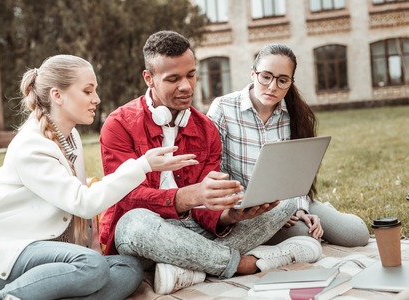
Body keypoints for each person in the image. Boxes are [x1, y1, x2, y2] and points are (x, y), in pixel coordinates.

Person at [98, 30, 323, 296]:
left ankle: (191, 269)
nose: (186, 86)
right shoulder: (119, 124)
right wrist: (184, 197)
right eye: (173, 79)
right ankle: (242, 264)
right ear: (149, 78)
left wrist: (229, 216)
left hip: (196, 232)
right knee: (133, 223)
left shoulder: (205, 129)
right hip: (148, 234)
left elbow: (206, 208)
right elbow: (126, 198)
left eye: (191, 75)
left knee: (284, 203)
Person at [0, 54, 199, 300]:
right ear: (57, 95)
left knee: (127, 267)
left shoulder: (70, 137)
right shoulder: (31, 146)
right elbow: (83, 203)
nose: (96, 99)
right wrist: (143, 166)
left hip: (45, 263)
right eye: (87, 91)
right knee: (92, 265)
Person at [207, 43, 370, 248]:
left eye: (282, 80)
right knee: (306, 234)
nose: (272, 87)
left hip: (292, 199)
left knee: (357, 235)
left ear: (290, 82)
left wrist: (301, 209)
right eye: (266, 76)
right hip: (248, 210)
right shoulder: (223, 108)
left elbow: (298, 174)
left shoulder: (293, 114)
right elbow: (213, 171)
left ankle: (315, 212)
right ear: (253, 73)